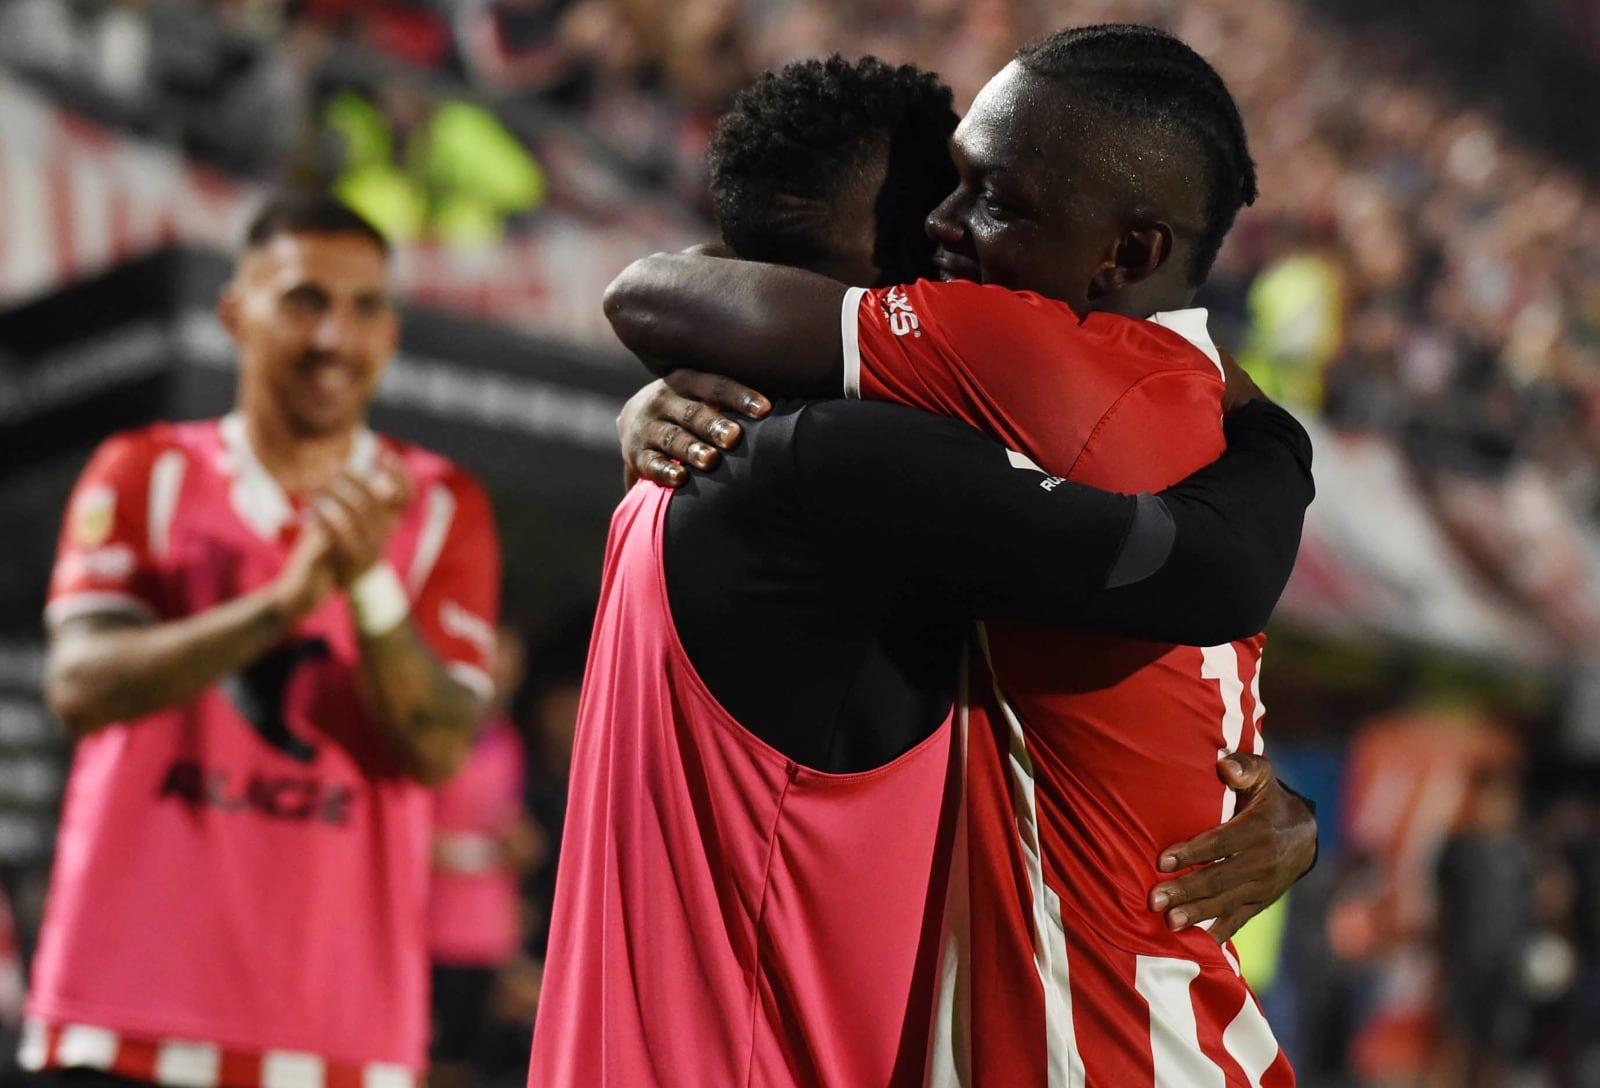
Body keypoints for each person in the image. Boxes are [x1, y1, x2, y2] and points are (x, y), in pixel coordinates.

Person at [529, 54, 1314, 1088]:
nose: (955, 247)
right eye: (930, 220)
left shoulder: (690, 470)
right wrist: (1271, 435)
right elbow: (1212, 570)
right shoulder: (838, 469)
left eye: (986, 202)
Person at [23, 195, 501, 1088]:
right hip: (121, 1013)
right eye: (304, 300)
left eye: (363, 308)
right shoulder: (147, 468)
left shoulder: (441, 508)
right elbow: (81, 685)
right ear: (237, 315)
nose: (334, 336)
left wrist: (367, 589)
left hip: (338, 1034)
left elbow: (437, 748)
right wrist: (280, 605)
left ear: (391, 334)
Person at [428, 626, 540, 1088]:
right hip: (429, 929)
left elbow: (509, 828)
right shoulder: (433, 736)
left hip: (485, 935)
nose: (502, 680)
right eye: (496, 666)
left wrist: (522, 845)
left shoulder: (507, 740)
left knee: (465, 1065)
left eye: (512, 672)